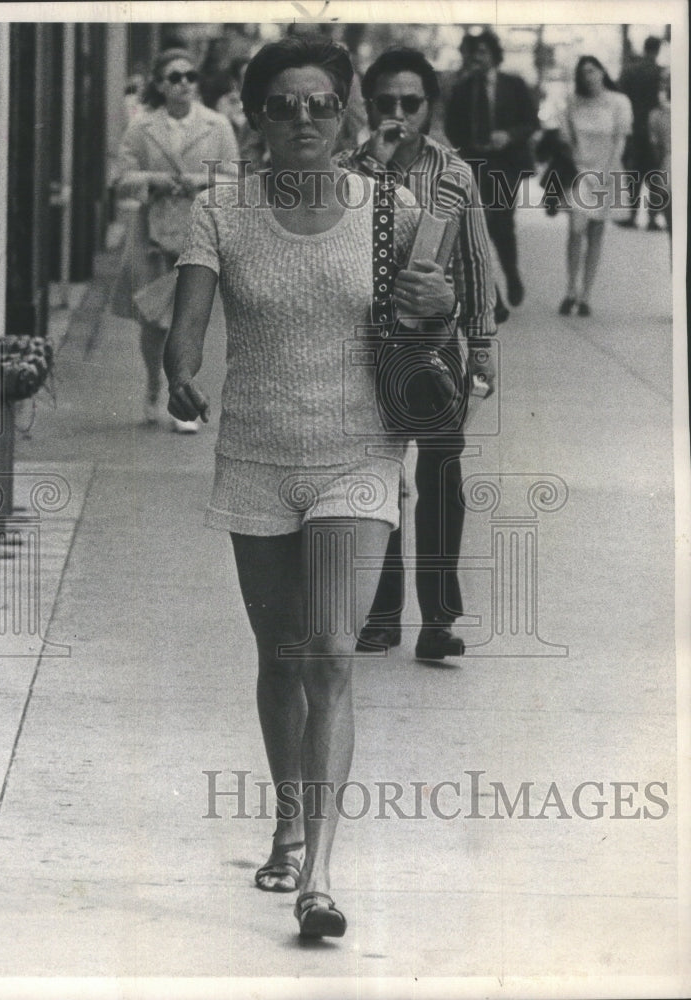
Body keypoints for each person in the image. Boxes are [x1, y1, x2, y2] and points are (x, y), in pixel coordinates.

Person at [163, 34, 454, 939]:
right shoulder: (224, 207)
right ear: (257, 113)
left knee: (330, 653)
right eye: (283, 105)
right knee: (281, 653)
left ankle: (318, 878)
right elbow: (192, 316)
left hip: (357, 456)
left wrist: (438, 308)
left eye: (321, 105)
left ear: (346, 114)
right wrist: (179, 371)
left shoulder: (390, 209)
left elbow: (436, 314)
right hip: (255, 454)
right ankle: (287, 819)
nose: (303, 120)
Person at [336, 46, 496, 662]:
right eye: (386, 103)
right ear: (367, 107)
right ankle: (380, 615)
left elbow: (475, 261)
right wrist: (371, 165)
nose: (398, 114)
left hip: (433, 343)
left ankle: (438, 620)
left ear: (430, 107)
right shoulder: (345, 171)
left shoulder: (453, 174)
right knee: (379, 477)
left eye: (411, 102)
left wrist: (480, 344)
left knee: (440, 472)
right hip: (366, 345)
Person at [115, 48, 240, 432]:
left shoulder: (217, 126)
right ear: (159, 84)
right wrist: (156, 180)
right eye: (174, 77)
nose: (183, 83)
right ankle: (154, 385)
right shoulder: (143, 127)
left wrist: (200, 182)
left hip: (197, 233)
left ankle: (180, 399)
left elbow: (236, 179)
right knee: (152, 321)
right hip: (152, 231)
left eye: (189, 76)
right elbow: (123, 178)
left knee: (189, 320)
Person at [444, 29, 538, 320]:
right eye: (473, 53)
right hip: (475, 162)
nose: (477, 58)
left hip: (505, 163)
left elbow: (531, 122)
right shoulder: (462, 88)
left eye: (483, 52)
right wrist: (465, 149)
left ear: (494, 54)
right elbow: (451, 126)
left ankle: (511, 273)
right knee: (478, 226)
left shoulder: (514, 84)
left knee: (502, 224)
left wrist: (508, 136)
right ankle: (492, 294)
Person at [557, 56, 632, 317]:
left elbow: (619, 140)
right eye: (583, 72)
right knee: (576, 229)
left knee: (597, 231)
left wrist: (608, 173)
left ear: (602, 71)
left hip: (607, 171)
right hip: (579, 171)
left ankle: (586, 295)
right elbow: (565, 138)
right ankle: (570, 289)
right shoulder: (572, 102)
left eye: (592, 70)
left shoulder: (619, 102)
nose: (588, 76)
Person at [617, 35, 663, 231]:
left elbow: (620, 96)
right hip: (656, 128)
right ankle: (653, 218)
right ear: (658, 49)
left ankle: (632, 214)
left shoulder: (630, 71)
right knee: (655, 173)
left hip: (634, 128)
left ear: (643, 47)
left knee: (633, 172)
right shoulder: (661, 72)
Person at [647, 67, 671, 237]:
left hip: (667, 161)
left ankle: (653, 216)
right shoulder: (659, 113)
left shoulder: (658, 113)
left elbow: (655, 143)